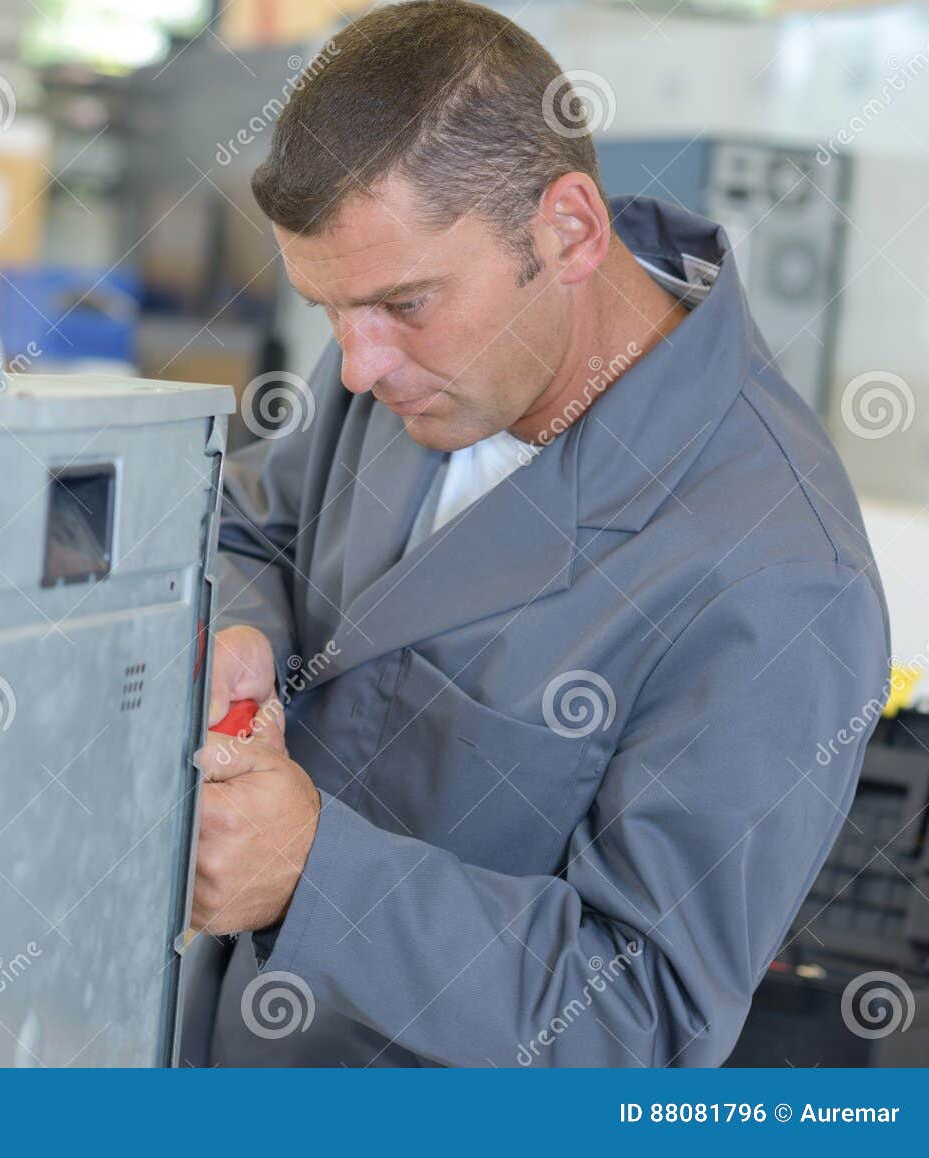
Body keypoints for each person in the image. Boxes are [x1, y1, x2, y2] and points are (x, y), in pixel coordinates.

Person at [186, 0, 890, 1067]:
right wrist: (238, 635)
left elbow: (644, 1025)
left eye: (402, 305)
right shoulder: (399, 357)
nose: (358, 363)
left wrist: (310, 873)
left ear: (567, 230)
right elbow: (251, 528)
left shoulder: (777, 575)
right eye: (329, 310)